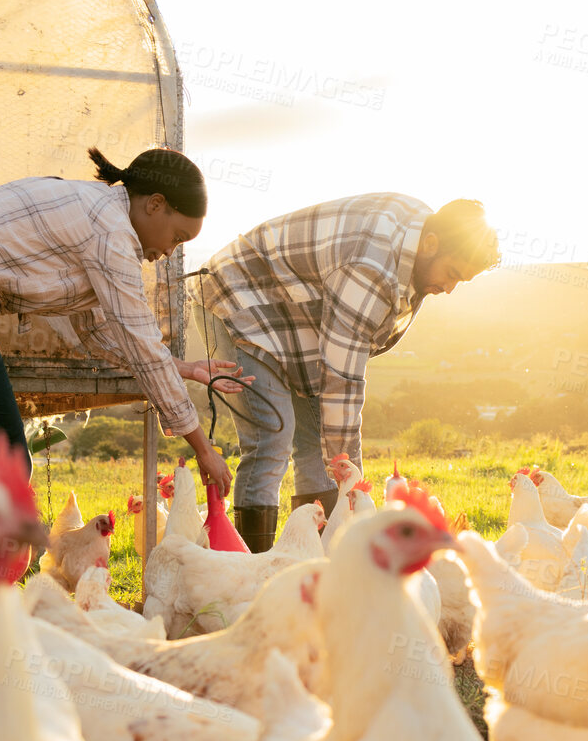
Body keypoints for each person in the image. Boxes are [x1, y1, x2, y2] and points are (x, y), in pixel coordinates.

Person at [0, 147, 241, 492]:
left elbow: (98, 332)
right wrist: (203, 448)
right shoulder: (111, 231)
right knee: (7, 464)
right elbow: (142, 345)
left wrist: (182, 368)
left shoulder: (95, 214)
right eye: (177, 237)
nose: (168, 252)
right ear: (156, 204)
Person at [193, 191, 499, 550]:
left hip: (291, 323)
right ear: (430, 244)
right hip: (236, 299)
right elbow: (342, 379)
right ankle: (248, 575)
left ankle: (316, 565)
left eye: (460, 281)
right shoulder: (371, 268)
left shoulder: (422, 233)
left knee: (316, 443)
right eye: (451, 274)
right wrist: (352, 481)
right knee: (272, 436)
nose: (449, 289)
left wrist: (340, 469)